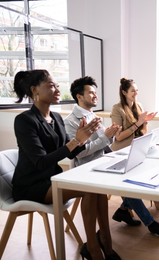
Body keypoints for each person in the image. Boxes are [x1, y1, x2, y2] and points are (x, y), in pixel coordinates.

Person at [11, 69, 120, 260]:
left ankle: (105, 240)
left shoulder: (57, 118)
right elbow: (40, 161)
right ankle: (93, 249)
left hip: (54, 178)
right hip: (32, 185)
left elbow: (70, 149)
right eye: (51, 85)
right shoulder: (24, 121)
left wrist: (82, 140)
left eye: (57, 85)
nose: (57, 89)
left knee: (99, 187)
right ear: (34, 90)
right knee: (89, 189)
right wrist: (75, 141)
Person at [65, 76, 159, 238]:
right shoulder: (71, 121)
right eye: (91, 93)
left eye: (96, 92)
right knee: (127, 181)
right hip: (87, 169)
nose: (96, 96)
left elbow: (106, 142)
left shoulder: (93, 116)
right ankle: (150, 223)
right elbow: (80, 153)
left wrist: (114, 152)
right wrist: (108, 138)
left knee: (135, 170)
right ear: (79, 96)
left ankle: (124, 210)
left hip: (104, 161)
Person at [110, 78, 159, 211]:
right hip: (122, 149)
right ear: (124, 92)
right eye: (133, 91)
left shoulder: (139, 105)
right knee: (145, 167)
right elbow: (118, 137)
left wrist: (145, 122)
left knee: (157, 163)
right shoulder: (117, 109)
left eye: (137, 90)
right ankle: (141, 203)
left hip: (137, 146)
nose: (136, 93)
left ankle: (157, 197)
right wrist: (138, 122)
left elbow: (143, 131)